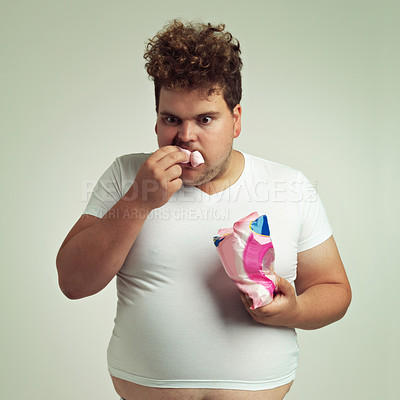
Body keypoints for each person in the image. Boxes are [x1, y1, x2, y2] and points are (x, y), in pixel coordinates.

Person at [56, 20, 351, 400]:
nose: (185, 136)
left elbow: (335, 290)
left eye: (205, 119)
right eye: (171, 119)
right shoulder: (127, 174)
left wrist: (293, 310)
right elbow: (73, 283)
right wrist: (139, 201)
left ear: (237, 119)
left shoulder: (289, 185)